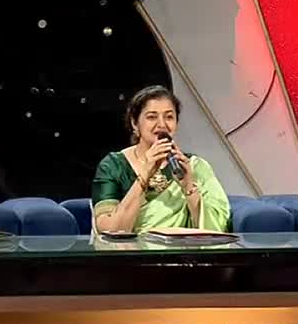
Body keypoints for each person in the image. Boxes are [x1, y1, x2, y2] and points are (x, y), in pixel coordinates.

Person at [91, 85, 230, 233]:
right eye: (152, 117)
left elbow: (217, 229)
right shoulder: (113, 166)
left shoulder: (194, 166)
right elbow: (109, 230)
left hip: (182, 253)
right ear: (134, 123)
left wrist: (189, 187)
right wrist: (144, 176)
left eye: (169, 117)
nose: (162, 124)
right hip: (129, 253)